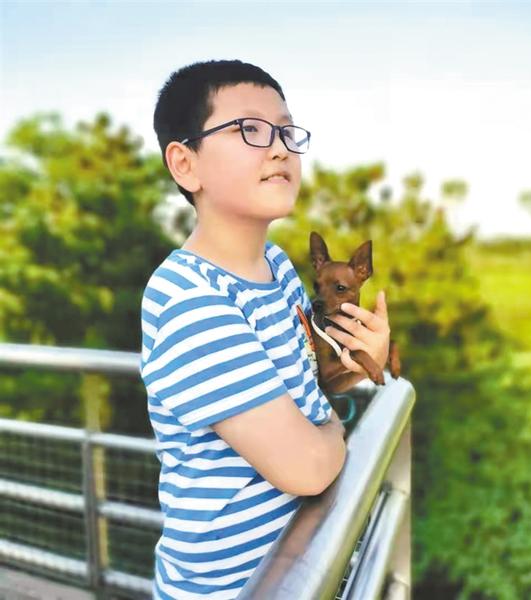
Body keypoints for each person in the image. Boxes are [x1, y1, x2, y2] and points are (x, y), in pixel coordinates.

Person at [140, 59, 391, 599]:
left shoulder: (276, 266)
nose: (279, 149)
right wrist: (332, 431)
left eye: (286, 131)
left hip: (295, 570)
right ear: (185, 164)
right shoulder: (190, 299)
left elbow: (306, 388)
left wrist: (357, 364)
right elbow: (308, 468)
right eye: (249, 130)